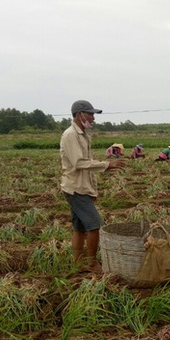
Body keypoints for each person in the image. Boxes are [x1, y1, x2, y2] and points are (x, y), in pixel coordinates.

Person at [60, 100, 125, 272]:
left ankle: (78, 263)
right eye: (90, 114)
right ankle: (91, 263)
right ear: (80, 114)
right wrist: (106, 165)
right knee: (95, 225)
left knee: (79, 227)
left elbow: (86, 167)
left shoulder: (82, 135)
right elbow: (79, 163)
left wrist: (91, 191)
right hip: (75, 188)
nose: (93, 118)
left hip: (80, 188)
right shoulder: (70, 135)